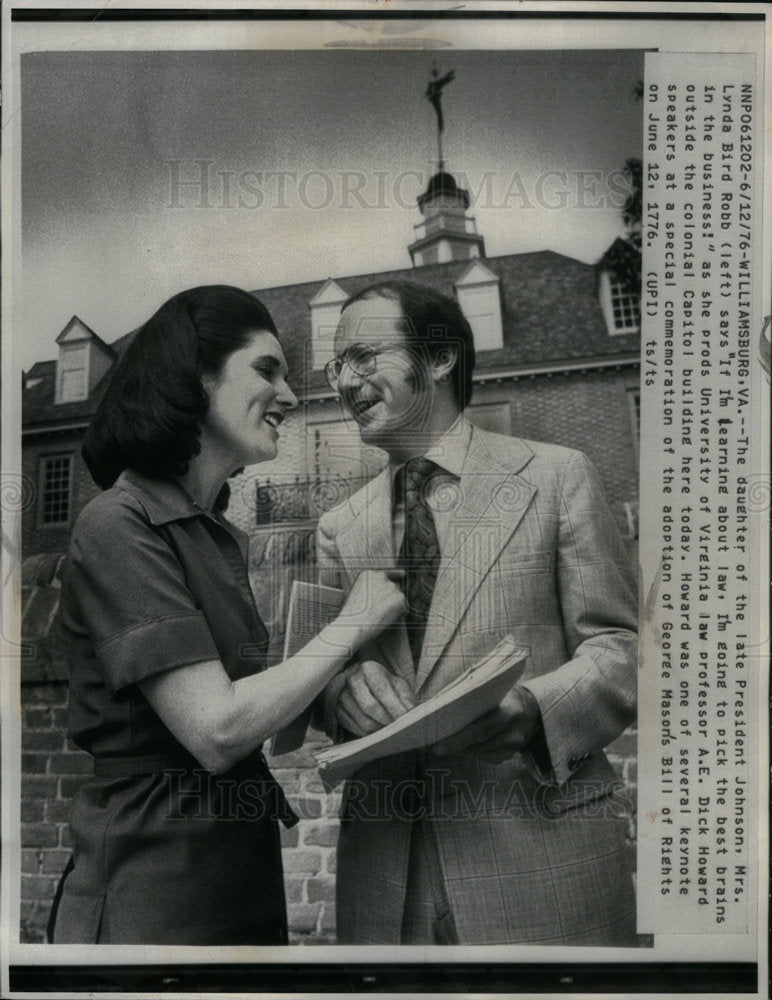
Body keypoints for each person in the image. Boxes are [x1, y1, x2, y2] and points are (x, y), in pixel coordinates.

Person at [50, 285, 404, 945]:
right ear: (196, 376)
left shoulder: (213, 535)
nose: (292, 397)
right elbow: (215, 727)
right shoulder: (118, 523)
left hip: (237, 878)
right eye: (267, 370)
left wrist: (339, 694)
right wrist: (354, 623)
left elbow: (257, 694)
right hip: (153, 891)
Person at [317, 279, 638, 946]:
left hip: (541, 862)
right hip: (385, 877)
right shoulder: (339, 528)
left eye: (365, 357)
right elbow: (322, 679)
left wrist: (534, 709)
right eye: (336, 365)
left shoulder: (558, 476)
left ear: (439, 359)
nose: (345, 383)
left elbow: (619, 653)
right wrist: (339, 694)